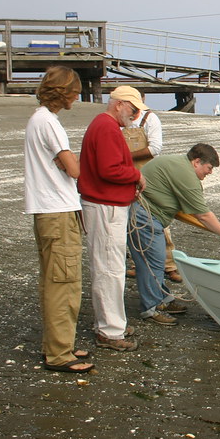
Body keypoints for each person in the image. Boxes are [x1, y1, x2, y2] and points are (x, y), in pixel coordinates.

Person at [23, 66, 93, 373]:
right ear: (63, 92)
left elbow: (65, 164)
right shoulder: (48, 122)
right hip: (57, 211)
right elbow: (74, 169)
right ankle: (59, 352)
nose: (77, 97)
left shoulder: (39, 121)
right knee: (63, 282)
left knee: (55, 279)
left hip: (48, 210)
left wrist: (65, 162)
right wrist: (70, 161)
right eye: (75, 91)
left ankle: (57, 344)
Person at [128, 143, 220, 325]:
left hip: (148, 215)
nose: (210, 172)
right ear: (196, 162)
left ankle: (162, 300)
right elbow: (203, 215)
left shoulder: (179, 164)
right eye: (209, 168)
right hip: (144, 217)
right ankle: (151, 308)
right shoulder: (186, 175)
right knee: (152, 264)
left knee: (156, 262)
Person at [78, 86, 146, 351]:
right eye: (133, 109)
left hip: (107, 204)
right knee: (109, 269)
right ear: (118, 104)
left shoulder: (104, 126)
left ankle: (111, 323)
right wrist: (136, 176)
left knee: (110, 267)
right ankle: (109, 330)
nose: (135, 115)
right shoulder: (106, 127)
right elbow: (109, 169)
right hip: (105, 206)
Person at [122, 106, 182, 283]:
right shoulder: (119, 122)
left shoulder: (149, 119)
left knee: (160, 223)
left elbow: (155, 148)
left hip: (148, 178)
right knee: (132, 223)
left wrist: (125, 155)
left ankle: (169, 266)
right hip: (127, 176)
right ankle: (136, 264)